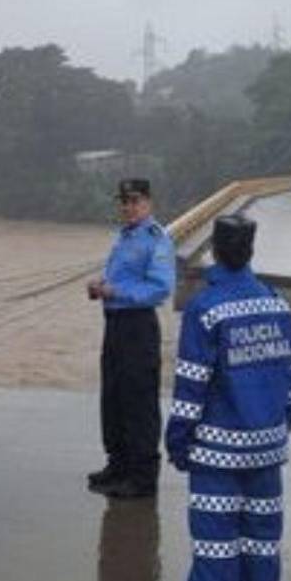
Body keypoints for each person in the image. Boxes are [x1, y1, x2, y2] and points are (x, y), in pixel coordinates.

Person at [165, 214, 291, 581]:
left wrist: (178, 444)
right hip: (267, 455)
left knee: (215, 559)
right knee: (261, 554)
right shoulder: (277, 304)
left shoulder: (206, 310)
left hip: (216, 459)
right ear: (250, 252)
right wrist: (275, 430)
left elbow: (191, 388)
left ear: (216, 252)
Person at [86, 178, 176, 499]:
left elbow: (161, 288)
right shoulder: (124, 237)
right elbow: (119, 278)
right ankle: (118, 464)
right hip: (115, 325)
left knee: (139, 401)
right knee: (114, 397)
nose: (128, 207)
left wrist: (117, 291)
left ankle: (142, 477)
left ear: (148, 202)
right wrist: (100, 287)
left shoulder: (157, 238)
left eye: (135, 201)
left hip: (138, 327)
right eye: (123, 201)